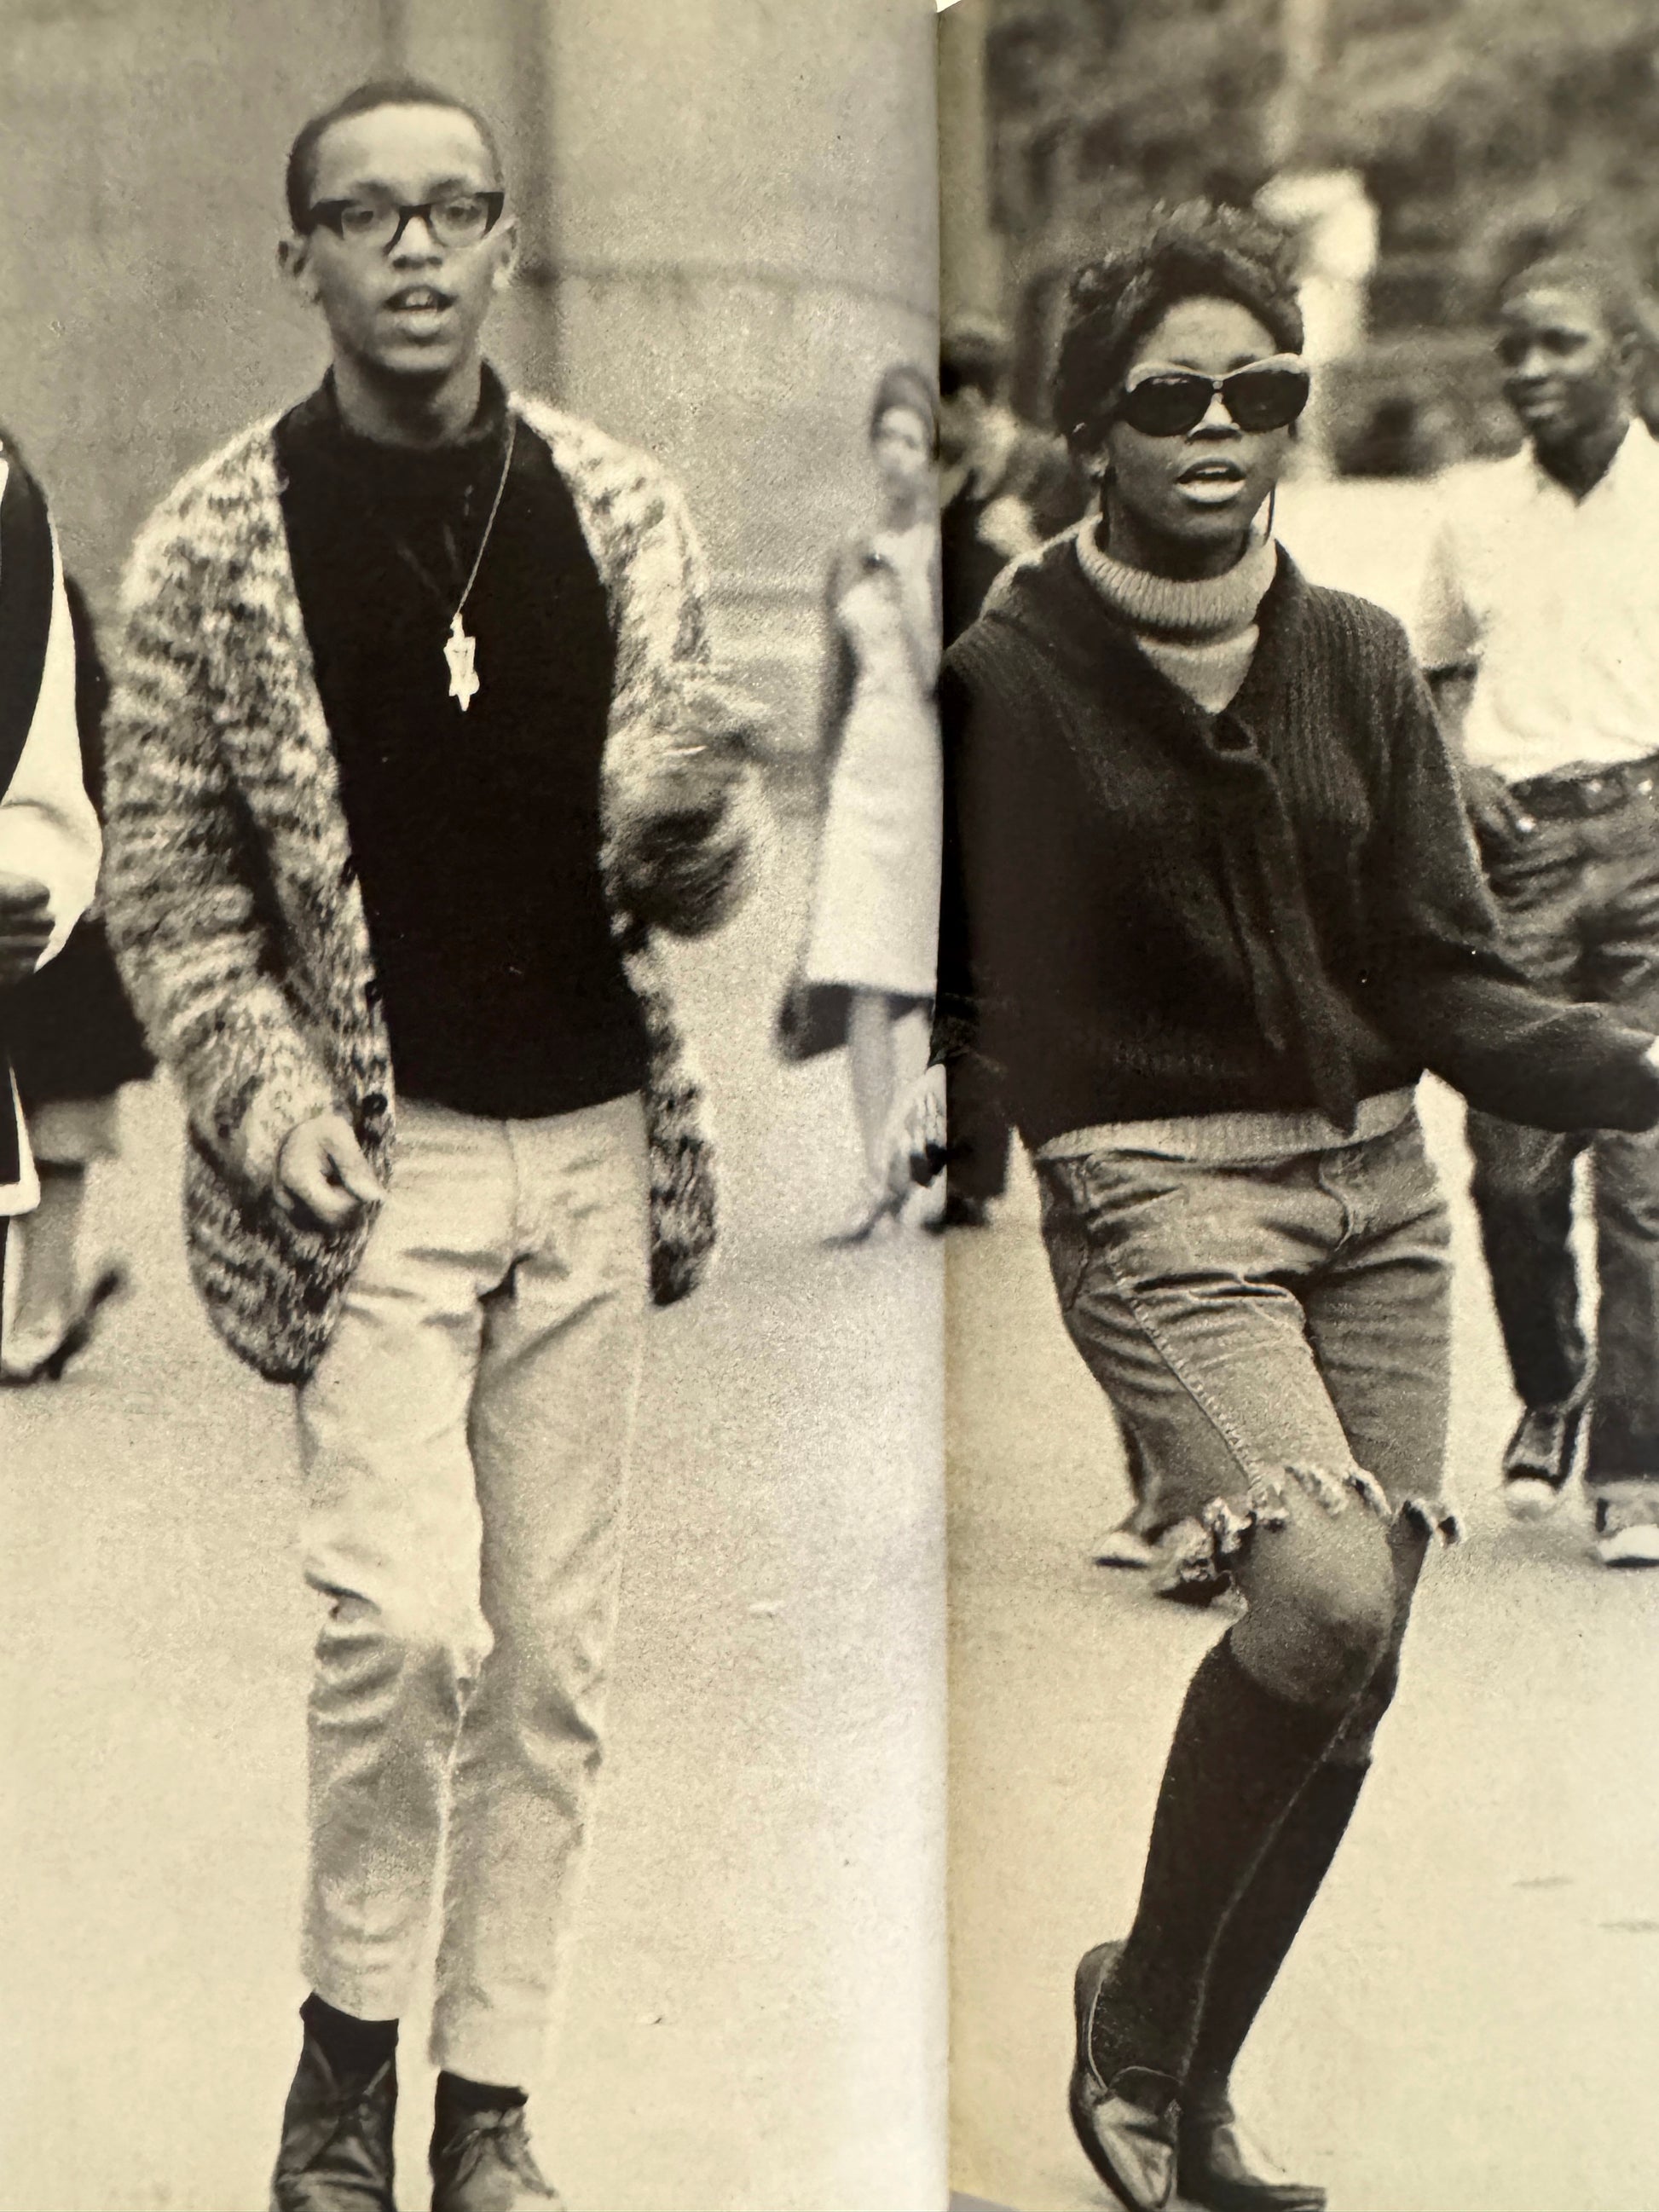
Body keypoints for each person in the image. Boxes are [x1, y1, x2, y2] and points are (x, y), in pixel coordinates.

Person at [898, 202, 1659, 2212]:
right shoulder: (1013, 672)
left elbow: (1442, 967)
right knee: (1317, 1593)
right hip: (1159, 1192)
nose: (1223, 423)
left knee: (1362, 1652)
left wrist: (1630, 1063)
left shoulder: (1358, 656)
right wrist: (1076, 1148)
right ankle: (1145, 2028)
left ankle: (1177, 2074)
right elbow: (980, 985)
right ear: (1095, 431)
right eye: (1173, 396)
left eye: (1263, 388)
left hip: (1375, 1190)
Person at [101, 78, 758, 2212]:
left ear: (497, 244)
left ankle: (487, 2105)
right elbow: (176, 882)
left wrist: (697, 836)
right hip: (365, 1171)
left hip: (584, 1139)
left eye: (452, 210)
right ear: (300, 257)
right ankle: (340, 2060)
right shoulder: (215, 537)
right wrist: (267, 1099)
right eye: (363, 216)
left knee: (552, 1662)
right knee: (400, 1631)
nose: (412, 249)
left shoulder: (623, 507)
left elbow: (691, 837)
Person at [1413, 252, 1659, 1565]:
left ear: (1627, 351)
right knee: (1511, 1169)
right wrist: (1458, 766)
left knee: (1644, 1180)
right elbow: (1434, 666)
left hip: (1652, 851)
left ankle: (1633, 1464)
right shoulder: (1470, 510)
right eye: (1511, 347)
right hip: (1517, 862)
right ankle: (1553, 1382)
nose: (1525, 370)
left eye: (1557, 343)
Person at [936, 314, 1087, 1234]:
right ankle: (961, 1169)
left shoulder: (1047, 473)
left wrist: (1025, 545)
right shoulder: (936, 482)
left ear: (967, 400)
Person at [795, 361, 941, 1242]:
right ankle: (873, 1172)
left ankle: (922, 1162)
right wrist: (818, 787)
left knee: (923, 977)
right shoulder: (845, 550)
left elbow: (937, 677)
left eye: (912, 441)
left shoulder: (938, 548)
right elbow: (832, 684)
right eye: (884, 438)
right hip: (863, 769)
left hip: (927, 770)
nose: (895, 458)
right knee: (856, 968)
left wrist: (911, 586)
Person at [4, 578, 153, 1384]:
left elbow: (92, 736)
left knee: (59, 1103)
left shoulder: (44, 584)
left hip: (54, 884)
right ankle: (58, 1284)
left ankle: (42, 1308)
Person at [0, 442, 101, 1347]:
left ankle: (42, 1308)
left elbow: (52, 783)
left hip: (50, 940)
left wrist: (51, 877)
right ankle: (41, 1312)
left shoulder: (13, 523)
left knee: (62, 1123)